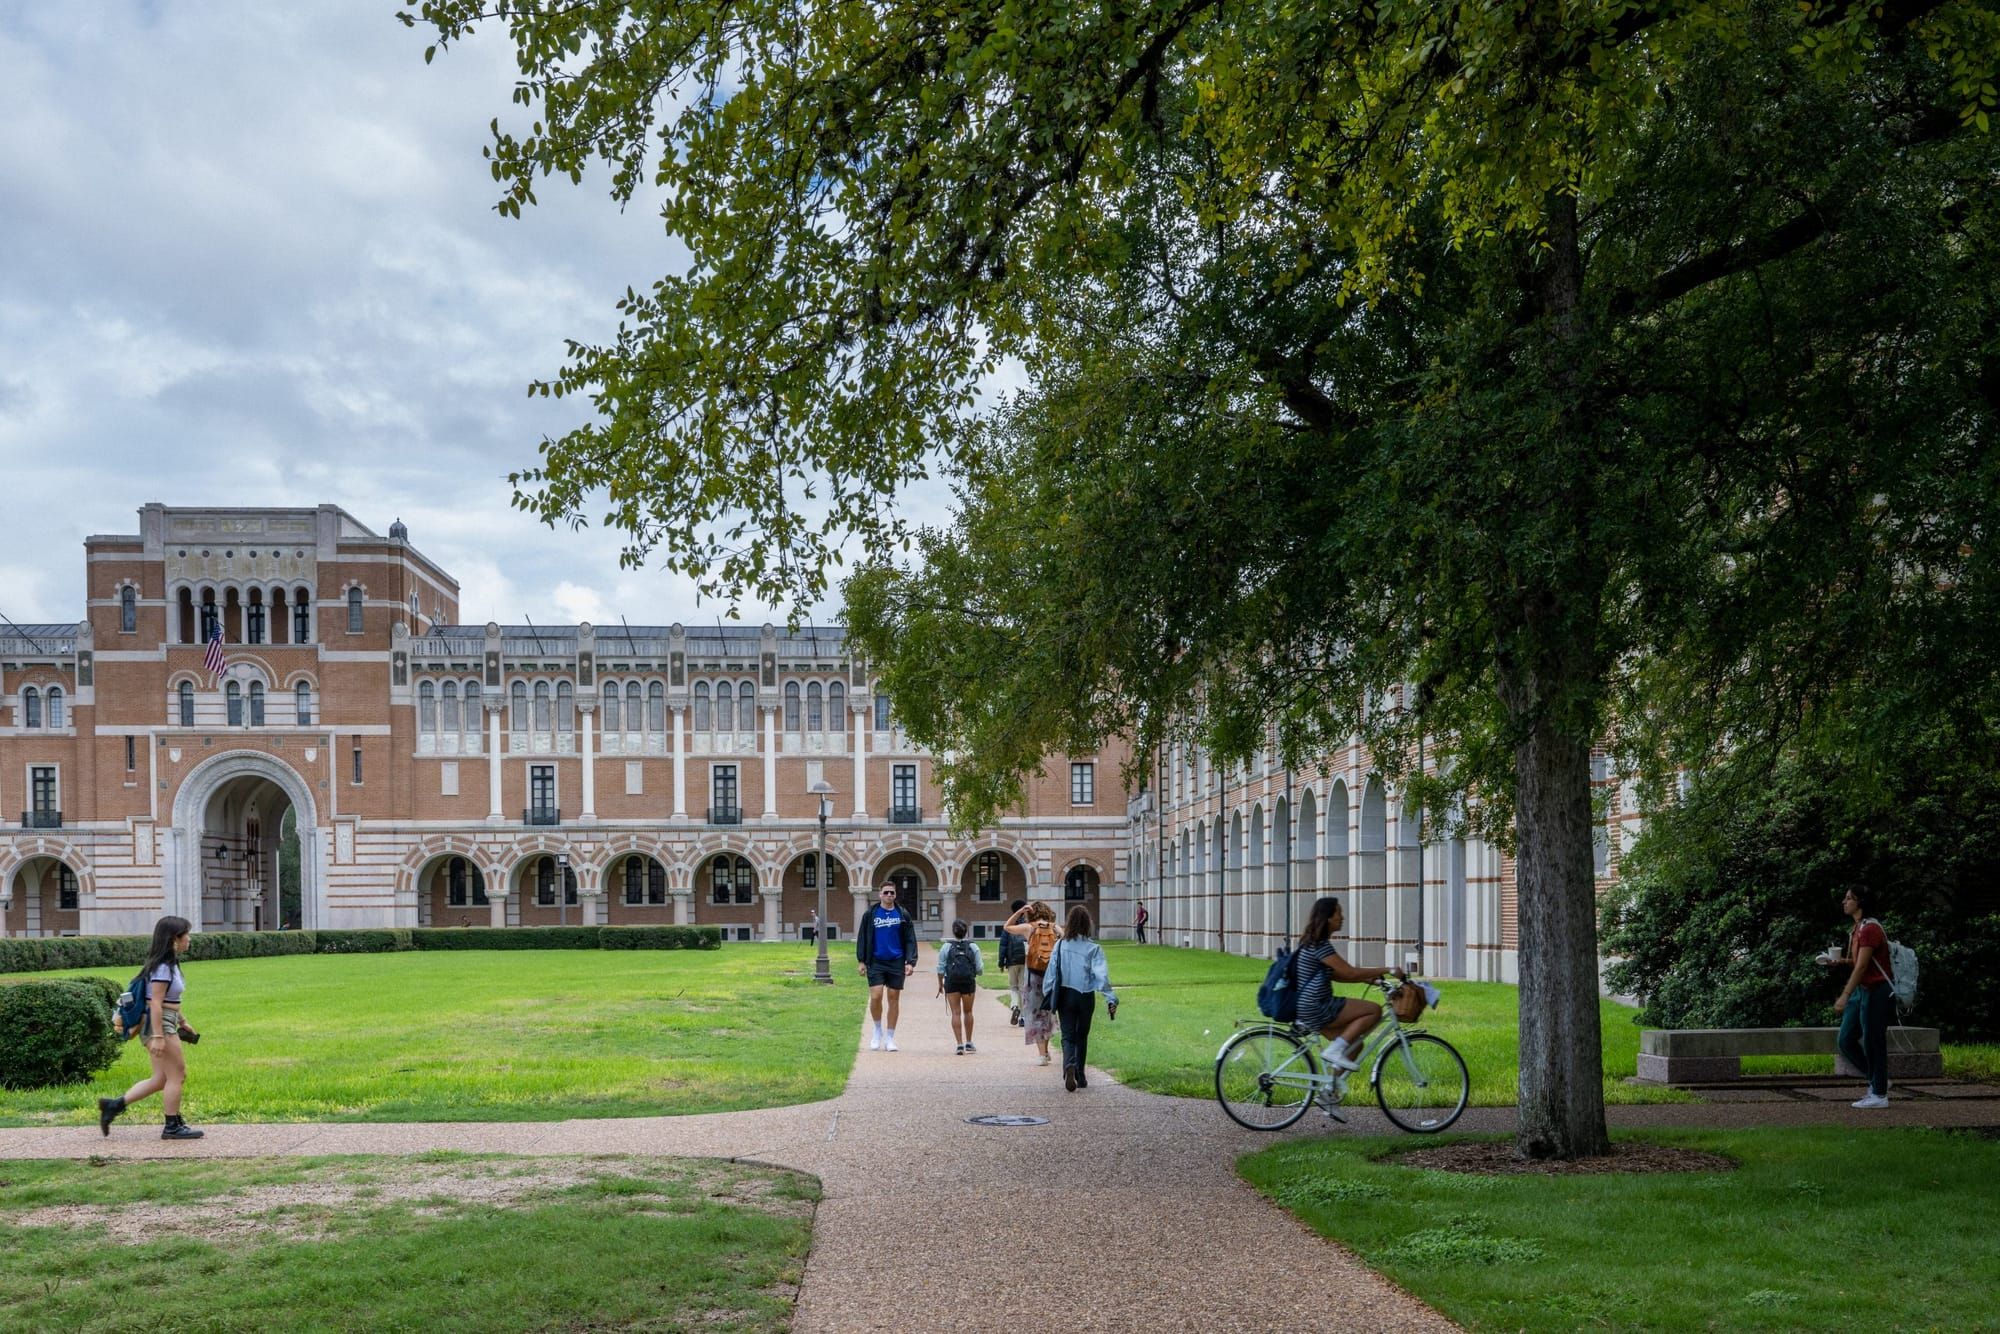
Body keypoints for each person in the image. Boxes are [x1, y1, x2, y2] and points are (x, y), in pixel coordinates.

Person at [98, 915, 204, 1140]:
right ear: (175, 938)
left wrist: (182, 1020)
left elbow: (165, 1000)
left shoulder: (167, 965)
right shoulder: (163, 968)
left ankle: (113, 1106)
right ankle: (172, 1126)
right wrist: (158, 1036)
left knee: (161, 1079)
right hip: (159, 1024)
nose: (189, 939)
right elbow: (154, 1002)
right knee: (178, 1074)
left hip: (164, 1020)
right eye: (186, 935)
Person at [1292, 896, 1403, 1079]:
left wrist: (1374, 981)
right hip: (1317, 1005)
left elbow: (1339, 974)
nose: (1342, 918)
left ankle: (1330, 1092)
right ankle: (1335, 1050)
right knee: (1373, 1010)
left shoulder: (1313, 942)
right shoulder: (1320, 945)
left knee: (1355, 1045)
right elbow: (1350, 972)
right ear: (1327, 918)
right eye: (1338, 913)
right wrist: (1388, 969)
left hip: (1308, 1007)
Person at [1825, 885, 1896, 1108]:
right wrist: (1840, 962)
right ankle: (1878, 1081)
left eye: (1849, 898)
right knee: (1845, 1039)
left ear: (1860, 902)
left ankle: (1879, 1095)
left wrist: (1844, 994)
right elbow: (1857, 962)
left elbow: (1864, 966)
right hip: (1862, 990)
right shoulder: (1857, 929)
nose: (1844, 902)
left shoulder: (1870, 929)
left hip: (1876, 990)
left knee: (1874, 1040)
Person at [1044, 905, 1118, 1091]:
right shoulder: (1094, 948)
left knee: (1067, 1035)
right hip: (1085, 995)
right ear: (1087, 924)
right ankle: (1081, 1075)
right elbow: (1101, 976)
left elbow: (1051, 972)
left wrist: (1047, 993)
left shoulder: (1060, 945)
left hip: (1065, 994)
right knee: (1082, 1036)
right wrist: (1111, 998)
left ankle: (1069, 1065)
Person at [855, 883, 918, 1050]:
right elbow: (862, 937)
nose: (889, 895)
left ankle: (890, 1037)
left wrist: (910, 961)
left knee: (893, 998)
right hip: (876, 961)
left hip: (896, 961)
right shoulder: (870, 914)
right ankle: (877, 1030)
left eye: (892, 892)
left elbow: (911, 939)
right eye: (886, 892)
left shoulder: (902, 914)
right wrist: (861, 960)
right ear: (880, 894)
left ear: (895, 895)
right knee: (876, 996)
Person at [1004, 900, 1061, 1065]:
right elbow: (1065, 938)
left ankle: (1042, 1055)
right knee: (1048, 1013)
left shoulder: (1029, 928)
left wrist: (1020, 911)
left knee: (1035, 1014)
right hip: (1050, 975)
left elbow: (1007, 927)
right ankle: (1046, 1050)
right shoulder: (1054, 927)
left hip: (1033, 976)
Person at [936, 918, 984, 1053]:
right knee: (968, 1012)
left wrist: (940, 984)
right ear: (966, 931)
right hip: (968, 983)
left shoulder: (946, 946)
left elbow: (940, 968)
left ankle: (959, 1044)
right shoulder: (973, 946)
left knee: (955, 1013)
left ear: (953, 931)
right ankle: (969, 1042)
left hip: (951, 982)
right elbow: (980, 969)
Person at [999, 897, 1028, 1025]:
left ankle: (1015, 1005)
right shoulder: (1027, 925)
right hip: (1025, 961)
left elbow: (1003, 945)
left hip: (1012, 961)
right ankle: (1023, 1017)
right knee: (1023, 988)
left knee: (1014, 987)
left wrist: (1001, 962)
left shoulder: (1009, 925)